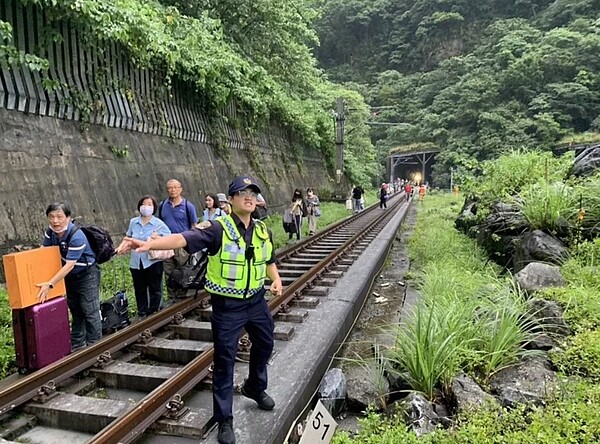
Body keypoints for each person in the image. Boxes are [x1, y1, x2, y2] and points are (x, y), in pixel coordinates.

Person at [120, 175, 282, 444]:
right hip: (228, 307)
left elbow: (269, 259)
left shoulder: (263, 230)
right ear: (230, 200)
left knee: (265, 344)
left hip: (255, 302)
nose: (249, 196)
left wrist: (275, 279)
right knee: (225, 360)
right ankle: (225, 419)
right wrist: (150, 244)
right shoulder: (218, 228)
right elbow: (183, 238)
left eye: (253, 192)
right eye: (242, 192)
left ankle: (254, 386)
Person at [37, 202, 101, 351]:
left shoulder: (76, 235)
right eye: (51, 217)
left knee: (89, 309)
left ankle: (95, 346)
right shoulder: (50, 232)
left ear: (68, 217)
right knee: (75, 309)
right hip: (70, 276)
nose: (55, 221)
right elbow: (42, 252)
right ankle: (77, 345)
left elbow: (69, 265)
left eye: (59, 217)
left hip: (86, 274)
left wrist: (50, 283)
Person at [115, 195, 171, 317]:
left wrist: (157, 238)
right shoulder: (133, 222)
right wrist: (120, 248)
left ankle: (154, 311)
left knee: (154, 288)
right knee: (139, 288)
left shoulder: (158, 224)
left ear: (154, 207)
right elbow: (128, 237)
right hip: (136, 261)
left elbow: (169, 238)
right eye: (144, 204)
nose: (146, 207)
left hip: (152, 261)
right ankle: (142, 311)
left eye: (149, 204)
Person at [158, 179, 198, 299]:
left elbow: (194, 226)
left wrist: (193, 245)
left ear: (181, 189)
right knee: (168, 272)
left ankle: (184, 297)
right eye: (170, 188)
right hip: (166, 244)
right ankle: (172, 298)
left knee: (184, 271)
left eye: (175, 187)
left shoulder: (188, 206)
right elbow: (159, 223)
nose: (173, 190)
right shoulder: (163, 205)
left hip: (182, 244)